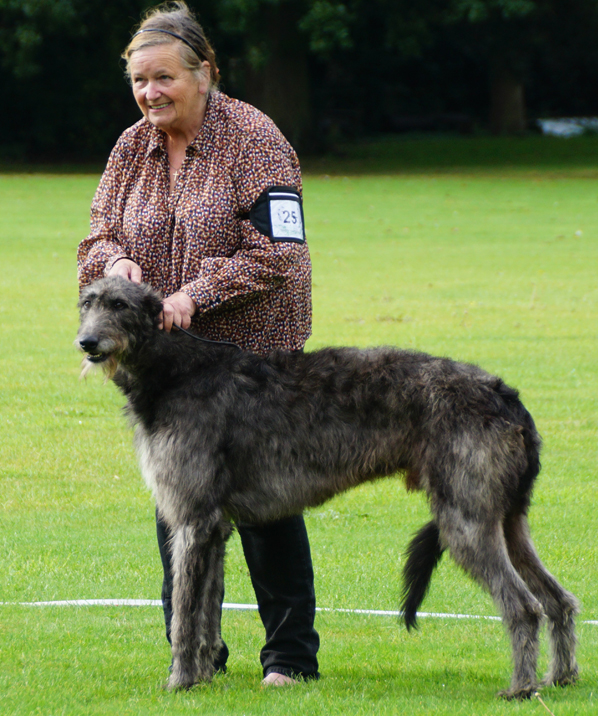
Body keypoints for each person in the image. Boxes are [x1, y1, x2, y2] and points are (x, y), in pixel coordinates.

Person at [77, 1, 319, 686]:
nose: (150, 93)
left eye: (164, 78)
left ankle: (291, 659)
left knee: (265, 506)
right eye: (138, 80)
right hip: (169, 368)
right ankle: (197, 654)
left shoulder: (255, 138)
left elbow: (280, 253)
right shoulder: (132, 147)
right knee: (180, 507)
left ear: (205, 71)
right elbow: (96, 232)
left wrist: (192, 295)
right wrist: (113, 261)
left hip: (253, 358)